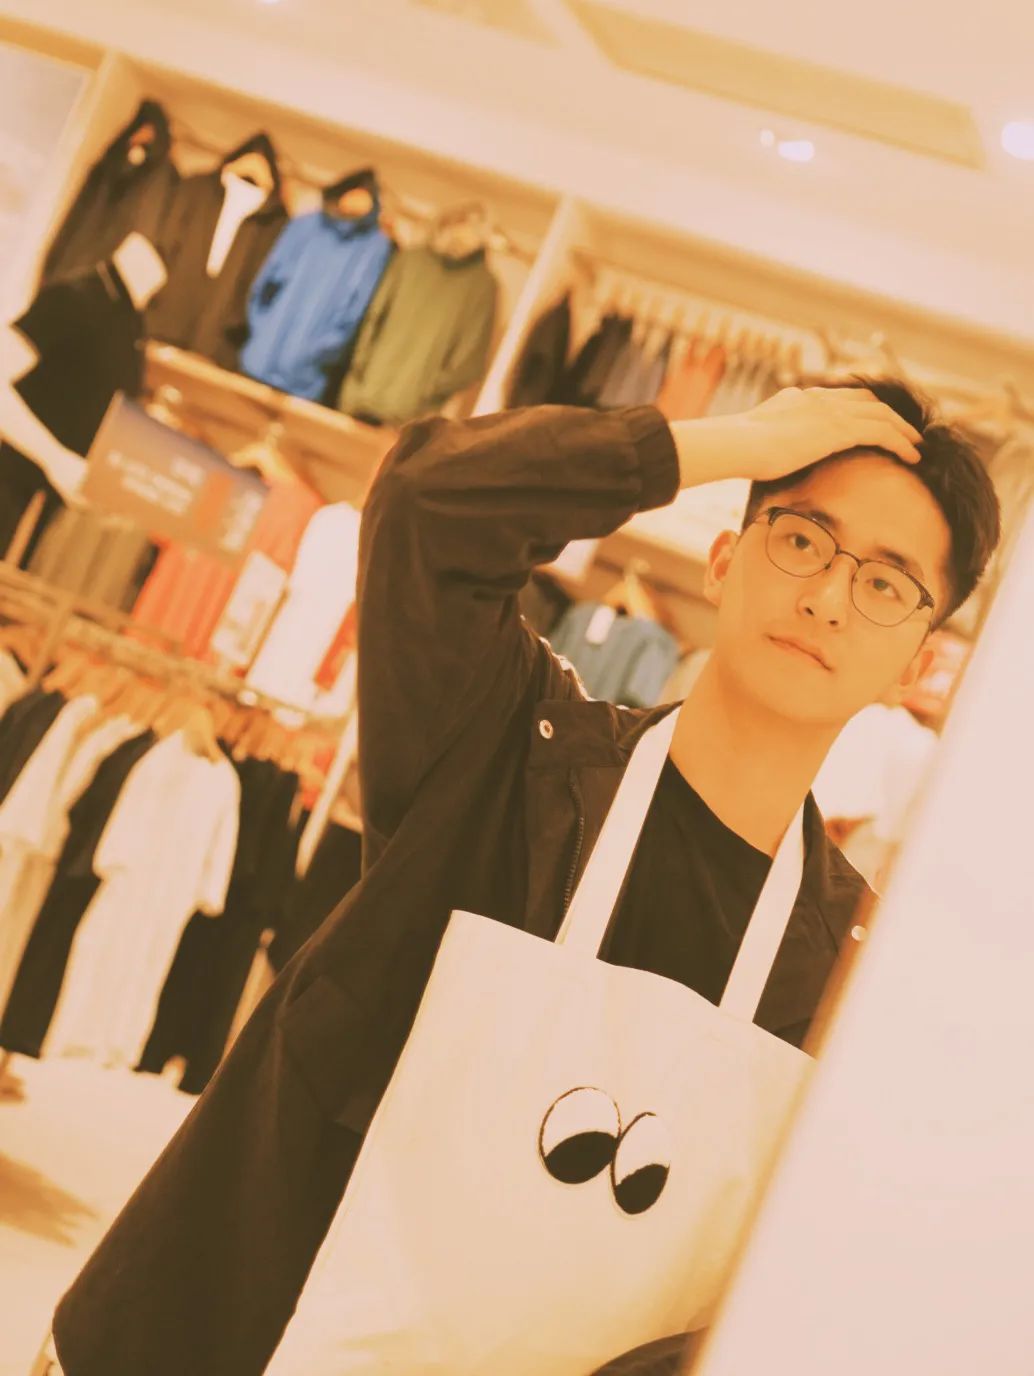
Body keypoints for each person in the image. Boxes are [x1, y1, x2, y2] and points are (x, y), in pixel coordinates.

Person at [47, 380, 1000, 1376]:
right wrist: (740, 441)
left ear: (915, 664)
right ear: (724, 559)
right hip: (222, 1338)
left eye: (886, 584)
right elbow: (427, 506)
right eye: (802, 538)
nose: (827, 597)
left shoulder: (854, 975)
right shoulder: (511, 748)